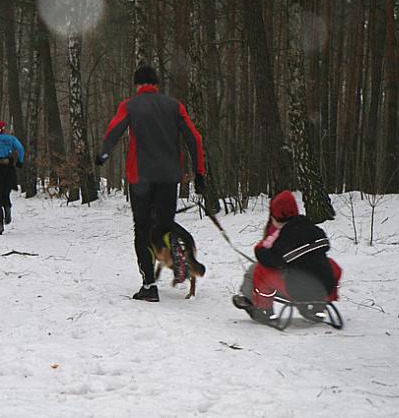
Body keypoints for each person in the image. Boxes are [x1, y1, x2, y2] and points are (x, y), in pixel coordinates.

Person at [95, 64, 206, 302]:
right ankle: (175, 251)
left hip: (140, 178)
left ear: (137, 84)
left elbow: (114, 131)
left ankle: (149, 285)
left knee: (142, 229)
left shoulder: (130, 105)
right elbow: (194, 139)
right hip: (169, 177)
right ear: (156, 84)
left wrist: (103, 154)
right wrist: (199, 173)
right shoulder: (174, 106)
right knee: (164, 225)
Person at [233, 190, 342, 323]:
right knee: (331, 264)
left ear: (275, 217)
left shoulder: (284, 237)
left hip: (297, 290)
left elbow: (271, 260)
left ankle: (263, 309)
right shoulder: (314, 230)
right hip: (325, 287)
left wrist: (260, 249)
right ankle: (319, 306)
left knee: (260, 271)